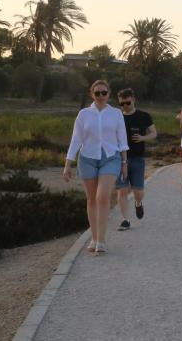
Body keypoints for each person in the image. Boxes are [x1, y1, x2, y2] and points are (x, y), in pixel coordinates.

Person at [63, 80, 128, 254]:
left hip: (110, 158)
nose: (101, 96)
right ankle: (93, 237)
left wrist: (124, 163)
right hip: (87, 159)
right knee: (91, 199)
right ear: (92, 94)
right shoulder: (84, 114)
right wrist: (68, 163)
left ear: (109, 94)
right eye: (97, 93)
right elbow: (76, 139)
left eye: (104, 93)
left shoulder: (116, 114)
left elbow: (122, 140)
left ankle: (101, 240)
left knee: (103, 197)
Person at [115, 88, 156, 230]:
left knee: (138, 191)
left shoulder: (144, 116)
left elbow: (154, 133)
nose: (125, 106)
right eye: (122, 104)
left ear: (134, 99)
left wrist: (143, 137)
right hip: (119, 159)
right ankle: (125, 220)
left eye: (127, 102)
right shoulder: (117, 117)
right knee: (122, 190)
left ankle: (138, 203)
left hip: (137, 158)